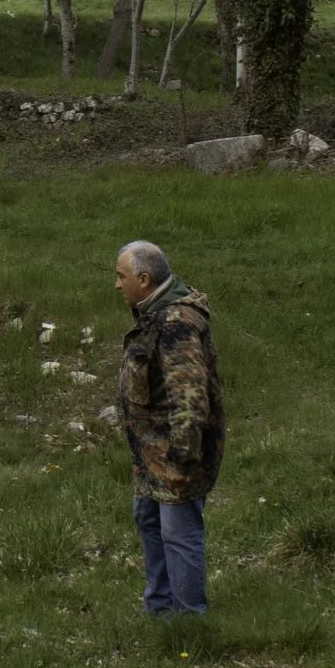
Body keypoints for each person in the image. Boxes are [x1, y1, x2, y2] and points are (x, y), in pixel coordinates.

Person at [114, 240, 225, 617]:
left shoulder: (175, 323)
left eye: (121, 276)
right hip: (149, 455)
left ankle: (188, 620)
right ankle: (160, 611)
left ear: (144, 279)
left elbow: (190, 400)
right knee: (149, 522)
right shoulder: (151, 313)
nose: (117, 284)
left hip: (175, 457)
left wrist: (181, 460)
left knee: (179, 535)